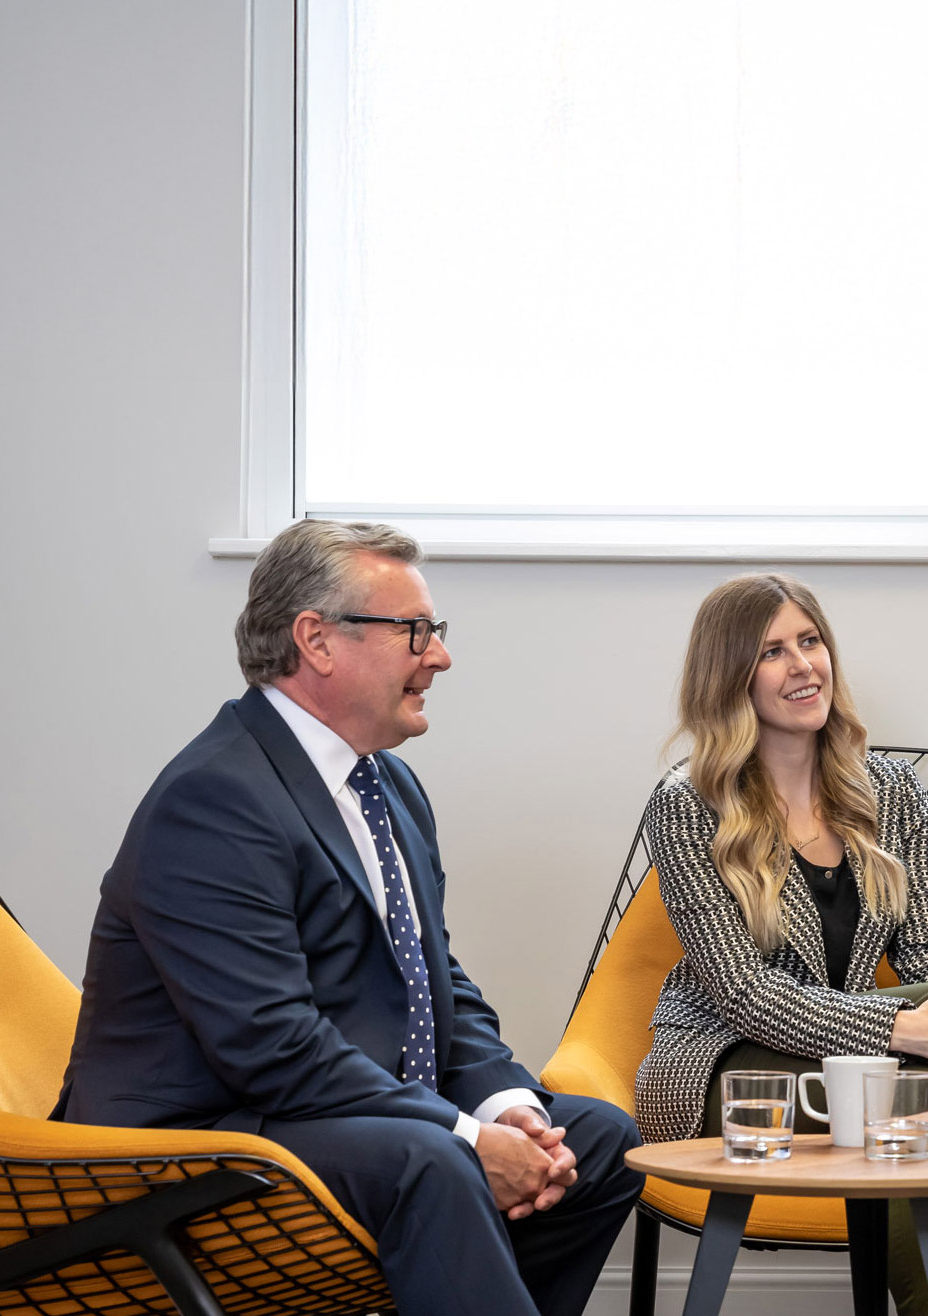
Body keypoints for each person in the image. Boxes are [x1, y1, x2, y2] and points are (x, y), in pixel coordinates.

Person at [54, 520, 640, 1316]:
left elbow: (432, 980)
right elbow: (270, 1047)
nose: (439, 656)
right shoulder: (214, 797)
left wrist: (511, 1112)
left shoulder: (387, 784)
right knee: (433, 1159)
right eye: (414, 631)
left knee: (596, 1140)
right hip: (203, 1138)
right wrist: (471, 1139)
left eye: (435, 630)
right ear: (317, 640)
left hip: (329, 1112)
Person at [634, 572, 928, 1316]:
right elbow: (742, 994)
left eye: (810, 641)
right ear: (729, 677)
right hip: (730, 1071)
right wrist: (908, 1029)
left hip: (855, 1061)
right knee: (921, 1076)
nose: (803, 666)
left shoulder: (888, 789)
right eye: (772, 652)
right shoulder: (688, 804)